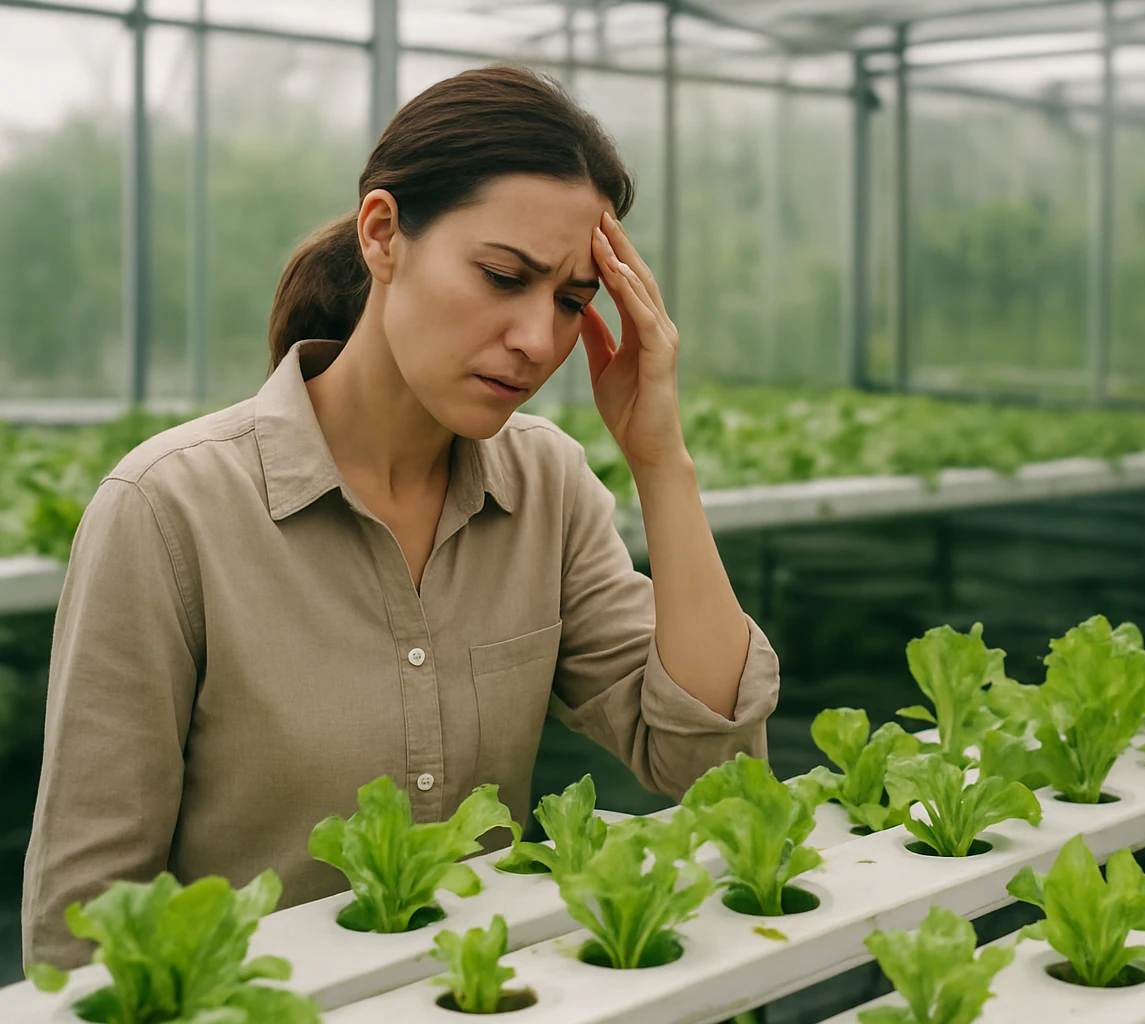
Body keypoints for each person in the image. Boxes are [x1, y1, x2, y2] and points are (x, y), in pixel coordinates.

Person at [22, 64, 779, 968]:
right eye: (503, 276)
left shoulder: (548, 484)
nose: (538, 340)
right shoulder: (167, 509)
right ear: (383, 234)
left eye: (572, 301)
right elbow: (85, 921)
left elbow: (710, 768)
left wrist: (662, 462)